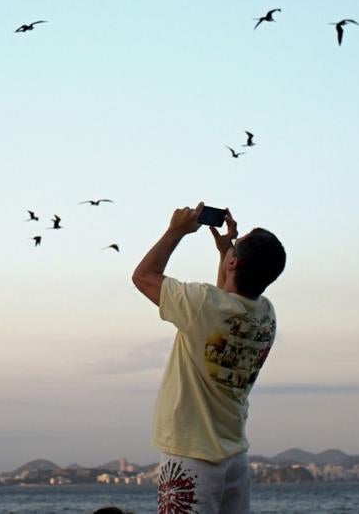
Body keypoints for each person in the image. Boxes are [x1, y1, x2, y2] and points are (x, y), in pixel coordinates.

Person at [131, 203, 286, 514]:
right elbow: (224, 303)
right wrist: (225, 253)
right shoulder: (266, 315)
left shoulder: (204, 305)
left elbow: (143, 276)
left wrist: (175, 231)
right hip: (234, 456)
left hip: (190, 454)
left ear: (234, 264)